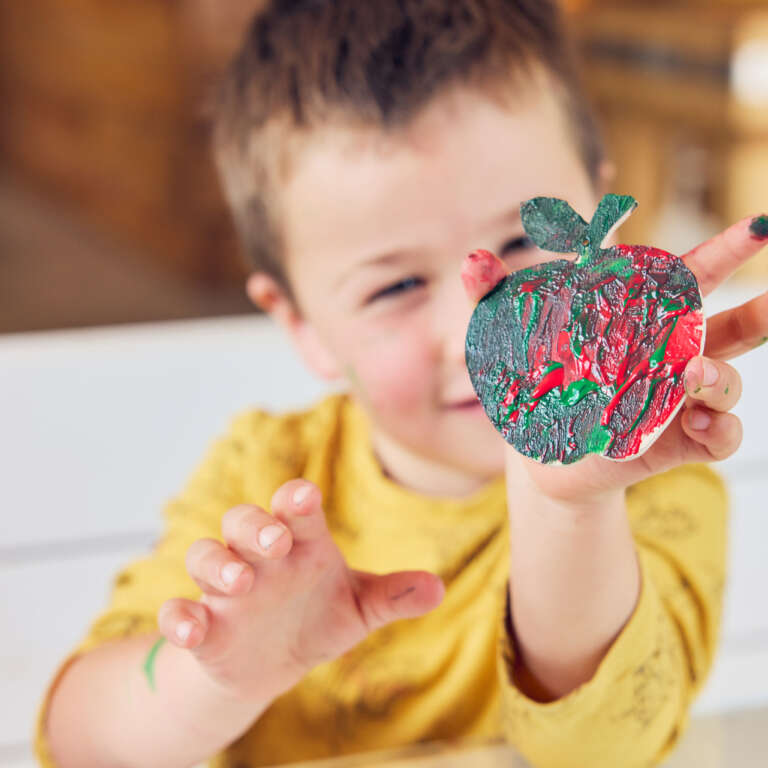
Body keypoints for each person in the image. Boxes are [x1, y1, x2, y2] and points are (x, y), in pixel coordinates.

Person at [36, 1, 767, 767]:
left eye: (524, 242)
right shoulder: (267, 477)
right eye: (393, 289)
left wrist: (567, 509)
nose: (474, 330)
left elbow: (610, 750)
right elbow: (79, 744)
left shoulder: (653, 473)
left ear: (602, 222)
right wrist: (214, 678)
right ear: (301, 326)